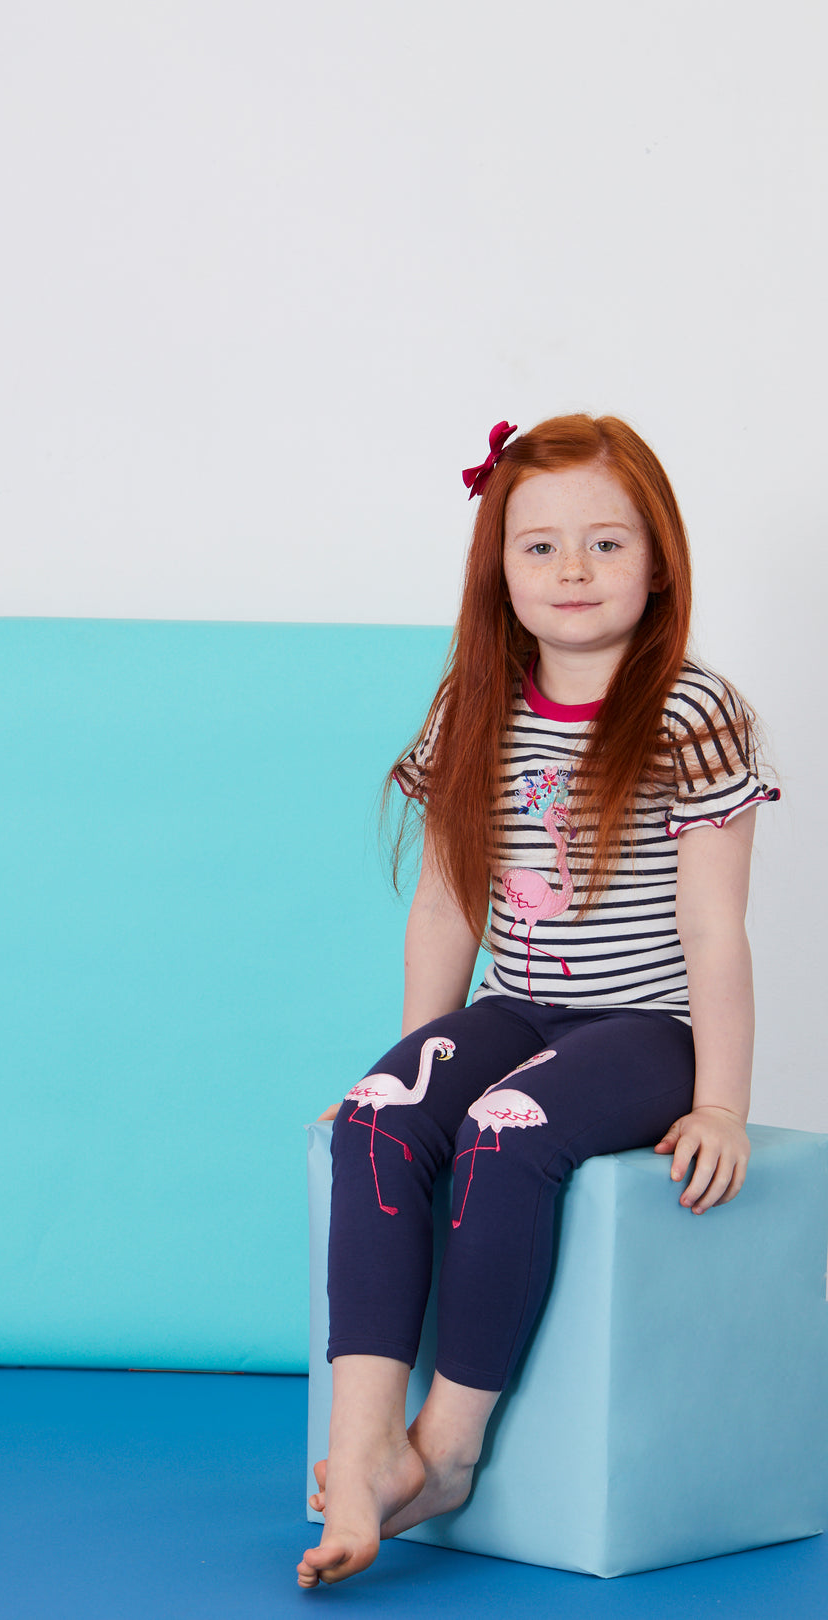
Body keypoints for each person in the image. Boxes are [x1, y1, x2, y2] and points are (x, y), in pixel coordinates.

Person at [296, 414, 780, 1589]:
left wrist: (721, 1103)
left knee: (506, 1135)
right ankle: (364, 1444)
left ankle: (448, 1450)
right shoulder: (475, 706)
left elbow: (714, 927)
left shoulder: (692, 712)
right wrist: (411, 1070)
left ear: (657, 563)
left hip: (642, 1030)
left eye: (607, 544)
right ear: (499, 570)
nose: (574, 569)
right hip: (519, 1008)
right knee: (375, 1119)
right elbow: (446, 910)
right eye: (541, 546)